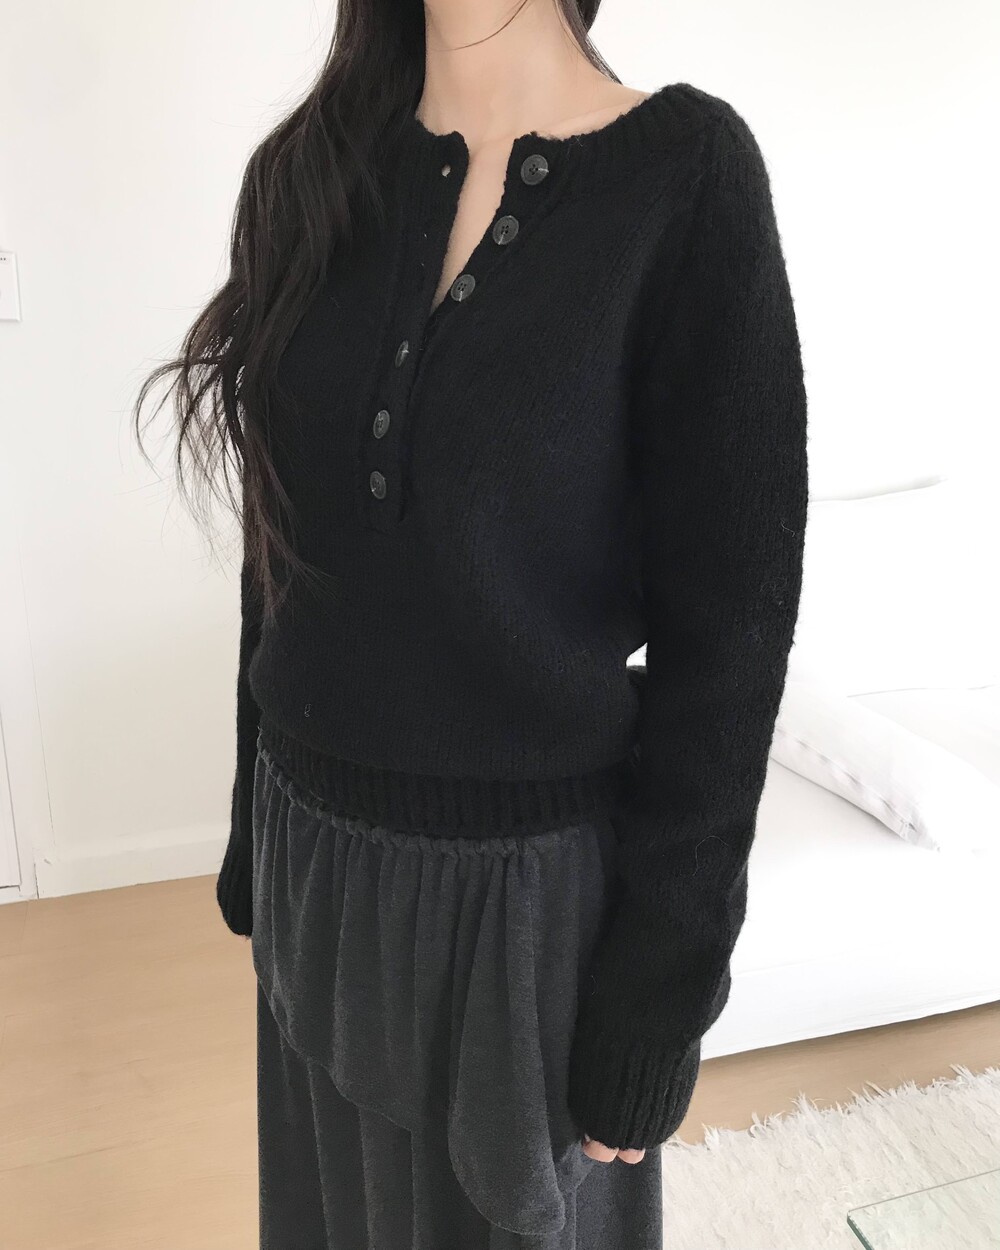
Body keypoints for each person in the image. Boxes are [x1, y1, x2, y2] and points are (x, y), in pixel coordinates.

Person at [134, 0, 809, 1245]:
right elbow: (278, 552)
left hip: (524, 916)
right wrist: (250, 827)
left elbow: (732, 632)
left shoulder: (683, 181)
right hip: (313, 859)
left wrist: (660, 990)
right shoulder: (307, 172)